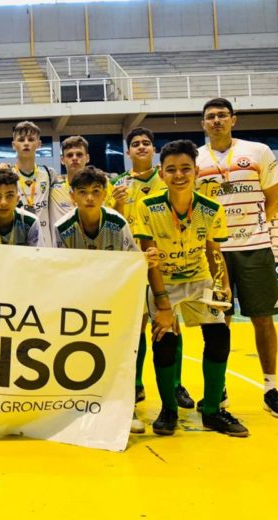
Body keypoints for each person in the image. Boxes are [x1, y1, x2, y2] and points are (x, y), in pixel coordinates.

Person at [133, 139, 248, 437]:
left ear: (196, 171)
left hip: (199, 280)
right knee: (164, 339)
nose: (179, 175)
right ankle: (169, 409)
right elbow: (150, 259)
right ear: (161, 173)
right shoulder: (147, 207)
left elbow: (214, 252)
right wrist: (163, 306)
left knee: (220, 336)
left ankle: (212, 410)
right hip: (163, 283)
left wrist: (223, 287)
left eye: (185, 168)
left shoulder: (211, 209)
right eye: (171, 169)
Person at [196, 97, 278, 419]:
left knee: (262, 318)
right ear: (203, 124)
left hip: (255, 246)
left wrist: (252, 229)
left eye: (223, 115)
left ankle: (271, 388)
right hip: (215, 253)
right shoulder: (195, 159)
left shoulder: (258, 151)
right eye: (211, 117)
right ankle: (218, 388)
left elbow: (275, 198)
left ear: (233, 120)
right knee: (217, 322)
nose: (217, 121)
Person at [53, 165, 158, 434]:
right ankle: (74, 407)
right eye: (83, 192)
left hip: (113, 301)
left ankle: (123, 409)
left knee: (116, 356)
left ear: (105, 194)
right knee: (76, 356)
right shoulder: (61, 227)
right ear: (72, 195)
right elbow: (57, 270)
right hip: (78, 302)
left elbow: (133, 261)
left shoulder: (117, 223)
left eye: (96, 191)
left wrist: (147, 260)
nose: (89, 197)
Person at [113, 128, 194, 411]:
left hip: (167, 261)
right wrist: (119, 203)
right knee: (136, 327)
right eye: (135, 144)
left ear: (154, 149)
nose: (141, 147)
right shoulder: (119, 184)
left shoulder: (169, 179)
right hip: (134, 262)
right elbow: (115, 224)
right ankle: (135, 384)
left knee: (170, 325)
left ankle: (176, 384)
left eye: (146, 143)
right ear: (128, 152)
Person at [49, 135, 123, 227]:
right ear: (62, 160)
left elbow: (115, 216)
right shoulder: (53, 190)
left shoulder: (104, 185)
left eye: (79, 154)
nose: (74, 158)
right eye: (69, 155)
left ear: (87, 158)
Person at [6, 121, 57, 247]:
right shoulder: (6, 174)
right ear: (14, 145)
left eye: (31, 139)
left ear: (38, 144)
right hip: (17, 241)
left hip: (45, 242)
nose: (26, 143)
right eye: (21, 140)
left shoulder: (49, 173)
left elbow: (70, 182)